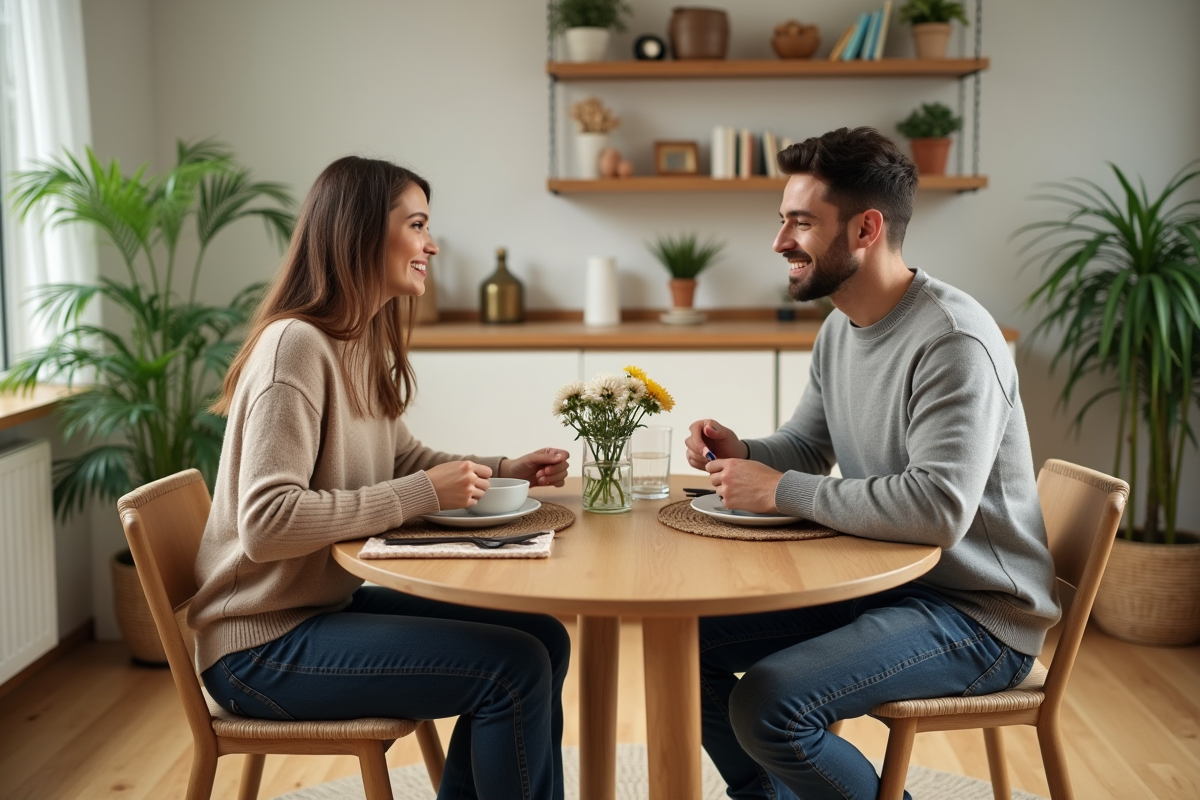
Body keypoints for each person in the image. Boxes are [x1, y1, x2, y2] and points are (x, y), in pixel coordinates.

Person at [684, 127, 1060, 800]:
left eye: (800, 223)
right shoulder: (841, 326)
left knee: (769, 703)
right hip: (885, 584)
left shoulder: (953, 340)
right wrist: (747, 453)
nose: (779, 243)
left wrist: (781, 490)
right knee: (684, 648)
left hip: (975, 616)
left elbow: (937, 510)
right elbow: (805, 446)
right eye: (781, 221)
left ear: (865, 228)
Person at [189, 156, 571, 800]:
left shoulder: (355, 341)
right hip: (259, 649)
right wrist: (424, 495)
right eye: (417, 224)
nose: (432, 243)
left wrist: (502, 471)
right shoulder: (295, 348)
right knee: (512, 669)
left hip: (319, 608)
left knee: (541, 635)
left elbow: (401, 460)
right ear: (362, 232)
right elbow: (266, 524)